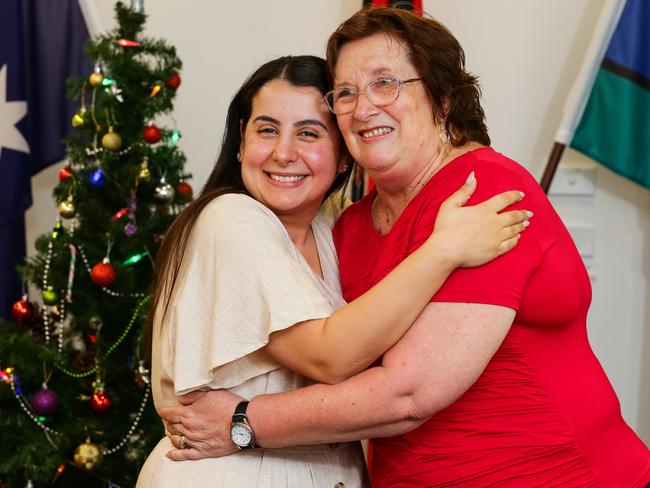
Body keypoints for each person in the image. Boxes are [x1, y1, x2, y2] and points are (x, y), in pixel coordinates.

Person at [160, 7, 650, 488]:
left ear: (441, 99)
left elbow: (409, 393)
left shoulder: (482, 192)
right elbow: (327, 351)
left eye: (385, 83)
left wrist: (242, 421)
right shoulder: (345, 228)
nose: (363, 106)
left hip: (558, 474)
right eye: (346, 93)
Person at [136, 53, 530, 488]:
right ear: (241, 145)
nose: (284, 153)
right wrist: (445, 250)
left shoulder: (329, 230)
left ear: (344, 156)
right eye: (266, 130)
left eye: (309, 133)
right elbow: (330, 357)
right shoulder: (230, 219)